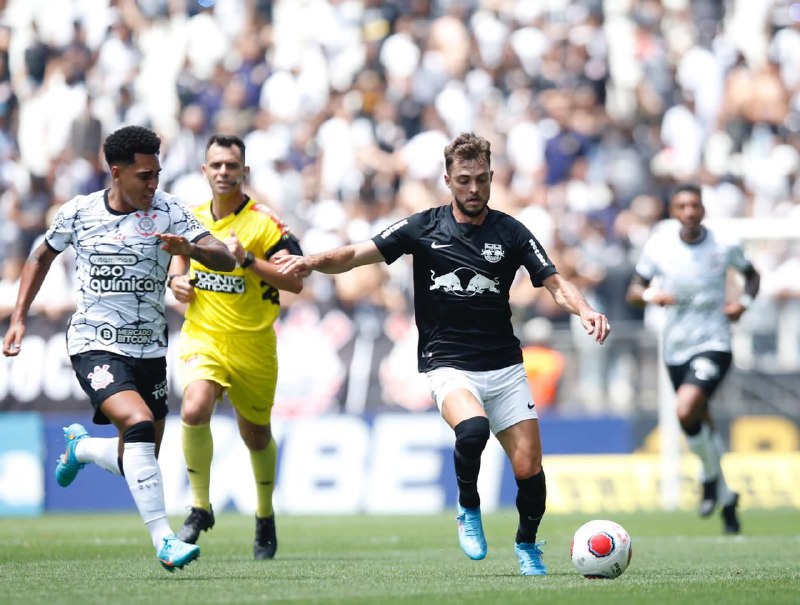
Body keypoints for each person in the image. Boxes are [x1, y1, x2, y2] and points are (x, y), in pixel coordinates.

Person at [276, 132, 610, 576]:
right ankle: (468, 507)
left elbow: (553, 281)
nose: (474, 190)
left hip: (506, 367)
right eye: (464, 180)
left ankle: (527, 544)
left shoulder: (512, 232)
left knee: (530, 470)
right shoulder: (423, 227)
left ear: (491, 178)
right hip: (448, 364)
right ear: (448, 179)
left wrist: (585, 309)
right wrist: (312, 262)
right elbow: (358, 254)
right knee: (471, 431)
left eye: (481, 180)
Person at [2, 125, 236, 572]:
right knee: (139, 422)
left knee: (138, 453)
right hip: (94, 342)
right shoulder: (80, 212)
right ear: (117, 172)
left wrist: (191, 249)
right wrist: (18, 318)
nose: (153, 184)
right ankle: (164, 539)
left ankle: (84, 450)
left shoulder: (170, 212)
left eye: (157, 175)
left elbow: (224, 255)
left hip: (149, 349)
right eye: (144, 176)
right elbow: (40, 256)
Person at [168, 134, 303, 559]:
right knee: (193, 407)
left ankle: (264, 516)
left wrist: (247, 261)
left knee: (256, 435)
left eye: (231, 166)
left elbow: (296, 280)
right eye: (216, 165)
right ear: (204, 171)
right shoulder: (189, 218)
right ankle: (200, 507)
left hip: (253, 345)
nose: (223, 172)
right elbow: (179, 257)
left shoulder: (265, 224)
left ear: (244, 172)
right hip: (203, 336)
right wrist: (176, 280)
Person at [626, 183, 760, 534]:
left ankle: (707, 479)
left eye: (694, 205)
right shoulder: (660, 244)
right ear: (673, 211)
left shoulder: (725, 244)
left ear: (703, 210)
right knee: (702, 420)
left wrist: (742, 305)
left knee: (686, 409)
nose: (688, 212)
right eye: (681, 206)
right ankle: (727, 497)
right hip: (675, 347)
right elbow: (634, 291)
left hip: (714, 341)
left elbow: (752, 276)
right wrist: (654, 294)